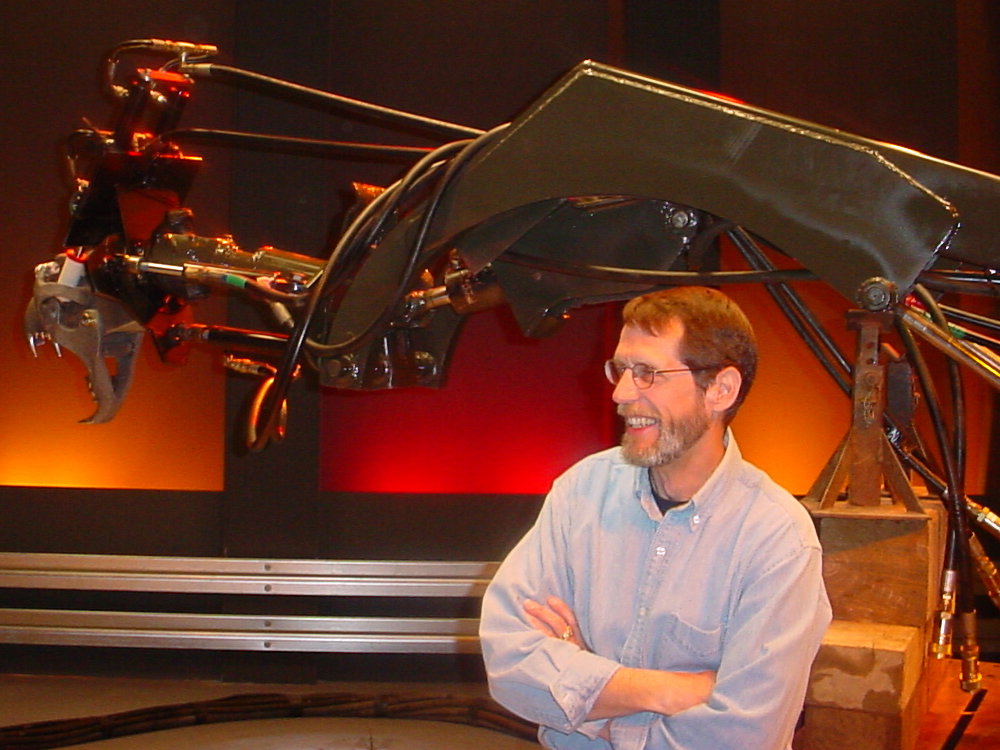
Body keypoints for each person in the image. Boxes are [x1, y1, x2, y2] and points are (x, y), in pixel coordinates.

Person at [479, 286, 831, 750]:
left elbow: (744, 736)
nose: (622, 393)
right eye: (621, 370)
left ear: (720, 389)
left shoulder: (777, 540)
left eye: (647, 373)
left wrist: (588, 702)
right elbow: (508, 660)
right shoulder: (582, 491)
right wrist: (667, 691)